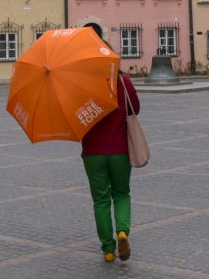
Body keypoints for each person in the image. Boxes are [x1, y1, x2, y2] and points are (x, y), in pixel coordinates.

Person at [81, 47, 140, 263]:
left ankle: (108, 249)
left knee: (101, 200)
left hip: (93, 153)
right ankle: (122, 231)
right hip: (119, 150)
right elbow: (136, 108)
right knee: (121, 193)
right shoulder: (124, 82)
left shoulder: (82, 85)